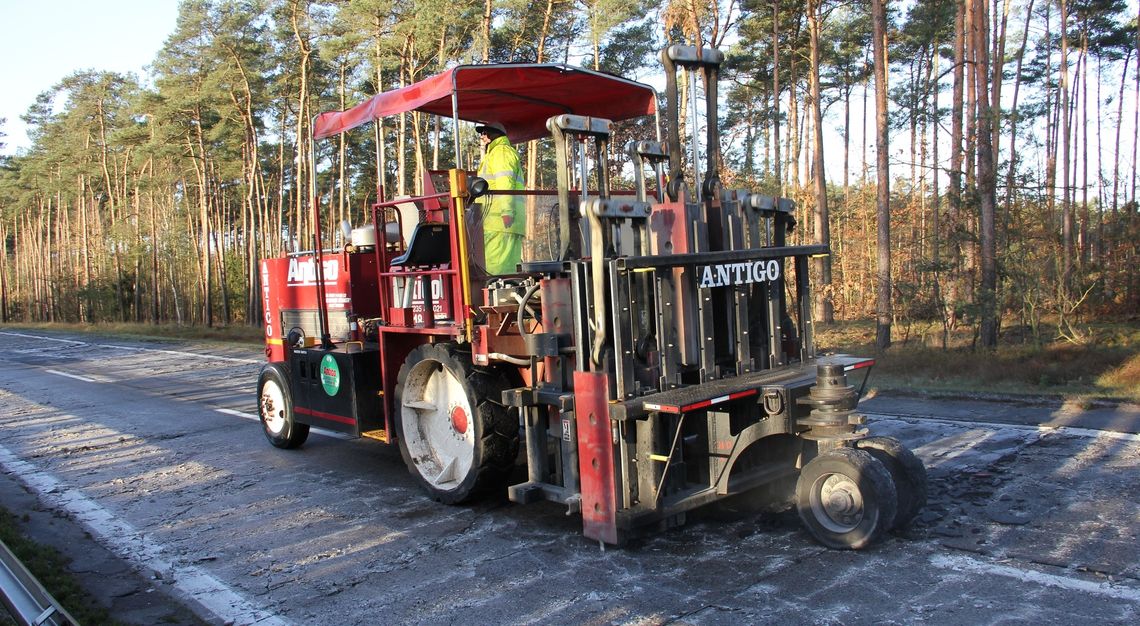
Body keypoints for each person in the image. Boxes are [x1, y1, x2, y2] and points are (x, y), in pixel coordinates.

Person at [475, 122, 525, 274]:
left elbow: (505, 182)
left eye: (484, 132)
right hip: (498, 223)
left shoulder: (501, 152)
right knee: (504, 268)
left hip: (500, 222)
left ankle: (497, 297)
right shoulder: (496, 153)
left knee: (496, 270)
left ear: (493, 133)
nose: (482, 136)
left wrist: (507, 212)